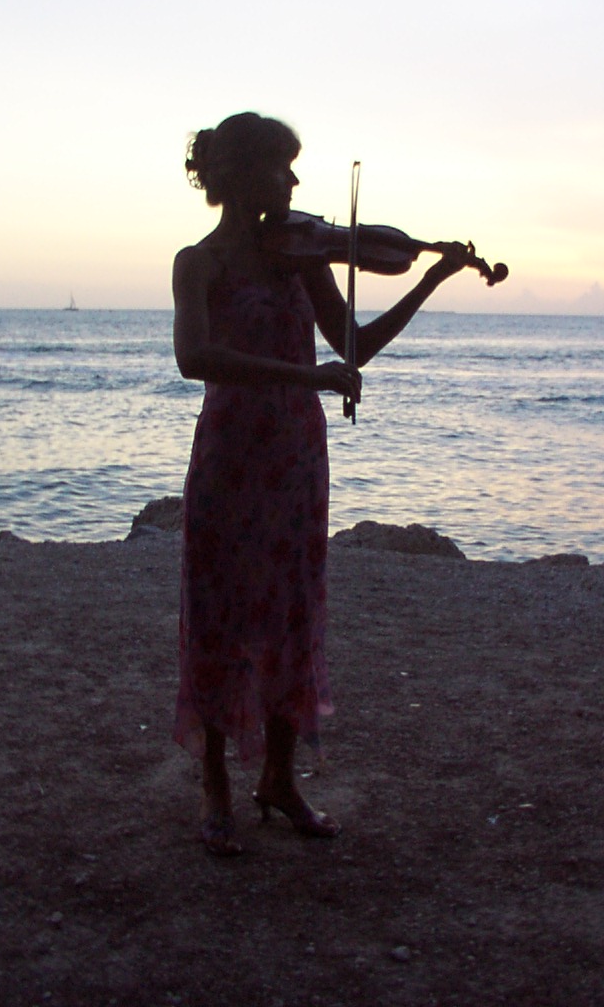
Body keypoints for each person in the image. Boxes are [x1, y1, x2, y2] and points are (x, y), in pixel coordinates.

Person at [172, 111, 466, 856]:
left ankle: (278, 779)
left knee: (290, 618)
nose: (296, 183)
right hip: (231, 455)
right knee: (219, 618)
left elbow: (354, 346)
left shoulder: (304, 257)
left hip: (295, 460)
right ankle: (215, 785)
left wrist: (428, 280)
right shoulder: (198, 263)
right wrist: (309, 376)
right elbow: (195, 358)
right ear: (240, 175)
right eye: (282, 167)